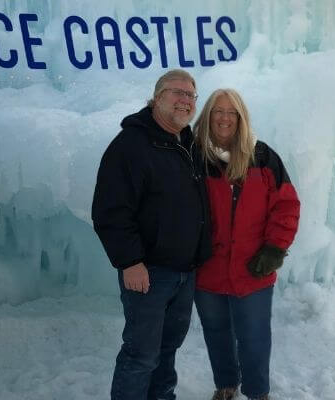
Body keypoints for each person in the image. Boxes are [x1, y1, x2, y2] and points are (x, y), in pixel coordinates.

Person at [92, 69, 212, 400]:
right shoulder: (131, 146)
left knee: (167, 349)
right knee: (141, 354)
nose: (185, 101)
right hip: (148, 273)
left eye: (191, 95)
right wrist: (130, 262)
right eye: (177, 93)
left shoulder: (187, 144)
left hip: (184, 272)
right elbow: (110, 210)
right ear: (156, 98)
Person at [192, 89, 300, 400]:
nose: (224, 118)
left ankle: (257, 392)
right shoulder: (195, 156)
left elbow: (287, 206)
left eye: (232, 112)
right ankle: (226, 385)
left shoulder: (262, 157)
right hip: (208, 268)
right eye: (218, 111)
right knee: (217, 333)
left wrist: (274, 249)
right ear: (208, 116)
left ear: (241, 118)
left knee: (254, 337)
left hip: (252, 268)